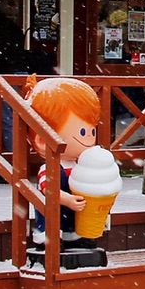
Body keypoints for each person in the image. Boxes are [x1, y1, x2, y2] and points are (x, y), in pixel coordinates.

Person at [27, 76, 100, 249]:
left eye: (92, 131)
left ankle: (72, 236)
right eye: (83, 131)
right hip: (54, 206)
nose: (89, 137)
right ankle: (46, 237)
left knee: (71, 218)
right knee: (51, 214)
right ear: (42, 141)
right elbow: (48, 189)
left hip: (73, 209)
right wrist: (66, 199)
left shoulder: (80, 165)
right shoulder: (50, 168)